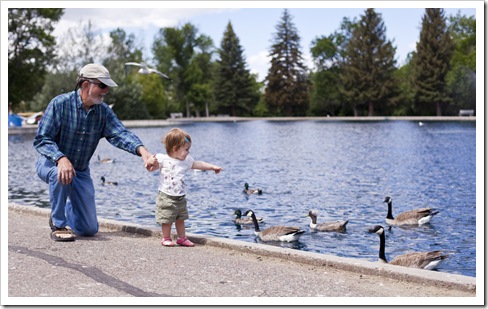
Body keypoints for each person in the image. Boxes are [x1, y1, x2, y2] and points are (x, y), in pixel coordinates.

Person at [33, 63, 158, 242]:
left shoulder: (104, 112)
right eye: (102, 85)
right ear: (85, 85)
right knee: (58, 174)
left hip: (81, 170)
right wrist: (61, 158)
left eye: (107, 86)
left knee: (89, 229)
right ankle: (58, 223)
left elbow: (120, 134)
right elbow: (42, 139)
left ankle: (66, 211)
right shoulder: (60, 104)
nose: (106, 91)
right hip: (51, 163)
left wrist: (143, 152)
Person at [146, 128, 223, 247]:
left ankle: (182, 238)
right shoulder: (162, 159)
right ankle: (166, 238)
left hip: (180, 197)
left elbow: (199, 164)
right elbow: (151, 167)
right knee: (167, 218)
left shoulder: (186, 160)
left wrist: (213, 167)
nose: (188, 152)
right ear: (175, 149)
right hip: (166, 196)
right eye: (186, 149)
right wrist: (150, 162)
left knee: (180, 218)